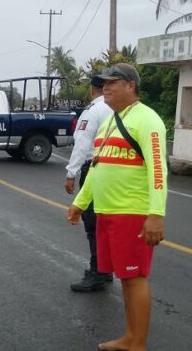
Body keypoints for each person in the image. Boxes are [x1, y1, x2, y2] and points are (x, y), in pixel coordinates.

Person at [67, 63, 168, 351]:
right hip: (107, 212)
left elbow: (158, 170)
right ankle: (129, 338)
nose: (105, 88)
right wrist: (80, 202)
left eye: (112, 82)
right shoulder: (111, 120)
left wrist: (156, 214)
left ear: (130, 86)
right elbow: (96, 166)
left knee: (134, 278)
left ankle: (138, 344)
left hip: (131, 213)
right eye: (104, 83)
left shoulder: (147, 119)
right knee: (125, 278)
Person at [65, 75, 114, 292]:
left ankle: (98, 271)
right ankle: (106, 268)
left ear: (92, 89)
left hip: (94, 167)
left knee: (93, 222)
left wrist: (71, 173)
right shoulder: (117, 108)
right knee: (105, 221)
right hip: (113, 171)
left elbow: (83, 143)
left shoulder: (94, 110)